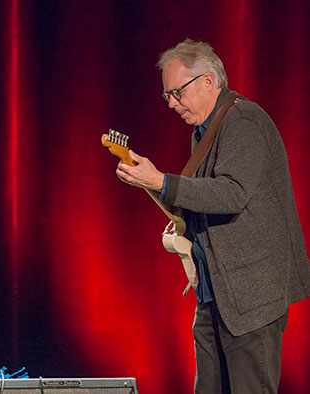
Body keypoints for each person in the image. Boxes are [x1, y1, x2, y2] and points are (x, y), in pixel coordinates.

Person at [115, 39, 310, 393]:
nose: (172, 103)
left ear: (208, 81)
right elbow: (212, 201)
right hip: (215, 292)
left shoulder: (244, 120)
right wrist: (159, 190)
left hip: (250, 298)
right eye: (167, 96)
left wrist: (160, 180)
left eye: (177, 92)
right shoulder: (205, 132)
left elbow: (232, 193)